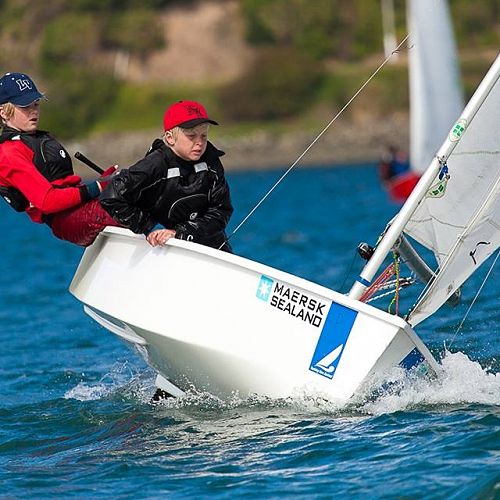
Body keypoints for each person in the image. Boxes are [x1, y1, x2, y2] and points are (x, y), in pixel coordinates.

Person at [0, 72, 120, 246]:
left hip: (81, 209)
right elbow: (47, 202)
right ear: (3, 112)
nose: (34, 111)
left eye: (36, 104)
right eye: (25, 106)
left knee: (140, 186)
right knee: (126, 207)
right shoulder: (8, 154)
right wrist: (99, 186)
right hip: (66, 221)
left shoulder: (34, 140)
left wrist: (107, 182)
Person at [100, 100, 234, 252]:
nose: (199, 143)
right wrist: (147, 227)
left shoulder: (211, 162)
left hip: (210, 246)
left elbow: (222, 211)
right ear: (170, 138)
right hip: (162, 248)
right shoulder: (154, 164)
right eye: (192, 136)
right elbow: (110, 196)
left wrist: (180, 233)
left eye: (204, 136)